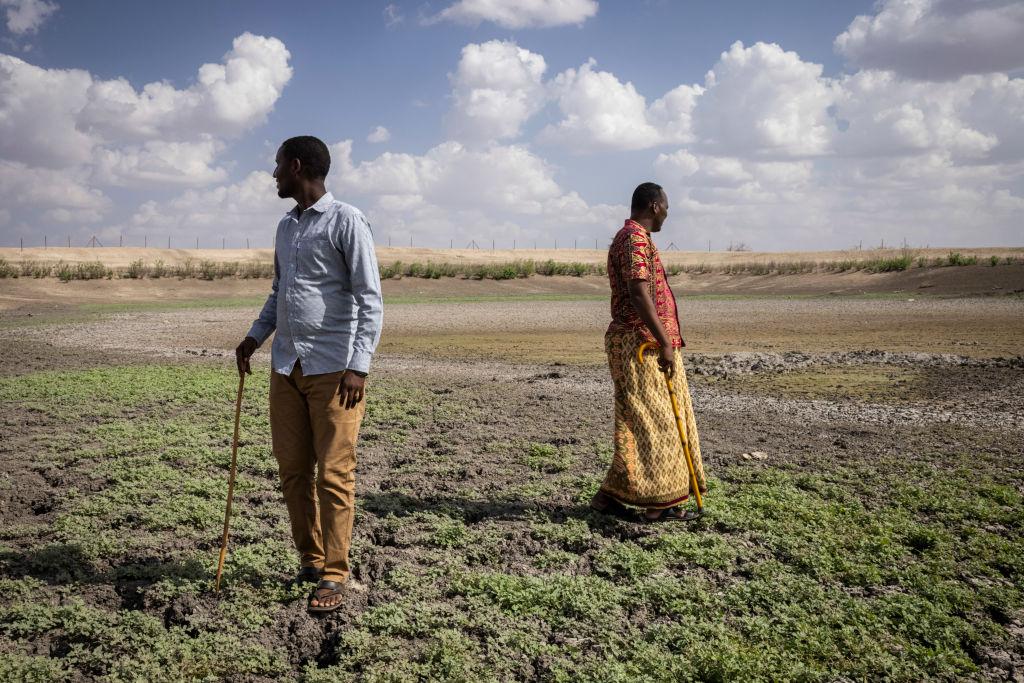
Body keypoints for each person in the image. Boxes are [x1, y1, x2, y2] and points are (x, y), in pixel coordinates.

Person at [235, 135, 383, 613]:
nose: (273, 174)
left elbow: (369, 297)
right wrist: (256, 336)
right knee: (293, 471)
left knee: (335, 474)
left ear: (297, 167)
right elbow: (280, 291)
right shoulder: (286, 227)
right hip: (287, 366)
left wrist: (359, 365)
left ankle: (336, 575)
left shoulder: (347, 220)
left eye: (278, 166)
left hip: (336, 371)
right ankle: (311, 560)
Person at [590, 182, 707, 522]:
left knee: (652, 420)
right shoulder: (634, 239)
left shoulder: (635, 238)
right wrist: (664, 342)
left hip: (646, 341)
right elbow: (639, 293)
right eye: (667, 207)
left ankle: (610, 497)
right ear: (656, 206)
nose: (668, 214)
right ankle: (658, 504)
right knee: (654, 422)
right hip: (639, 344)